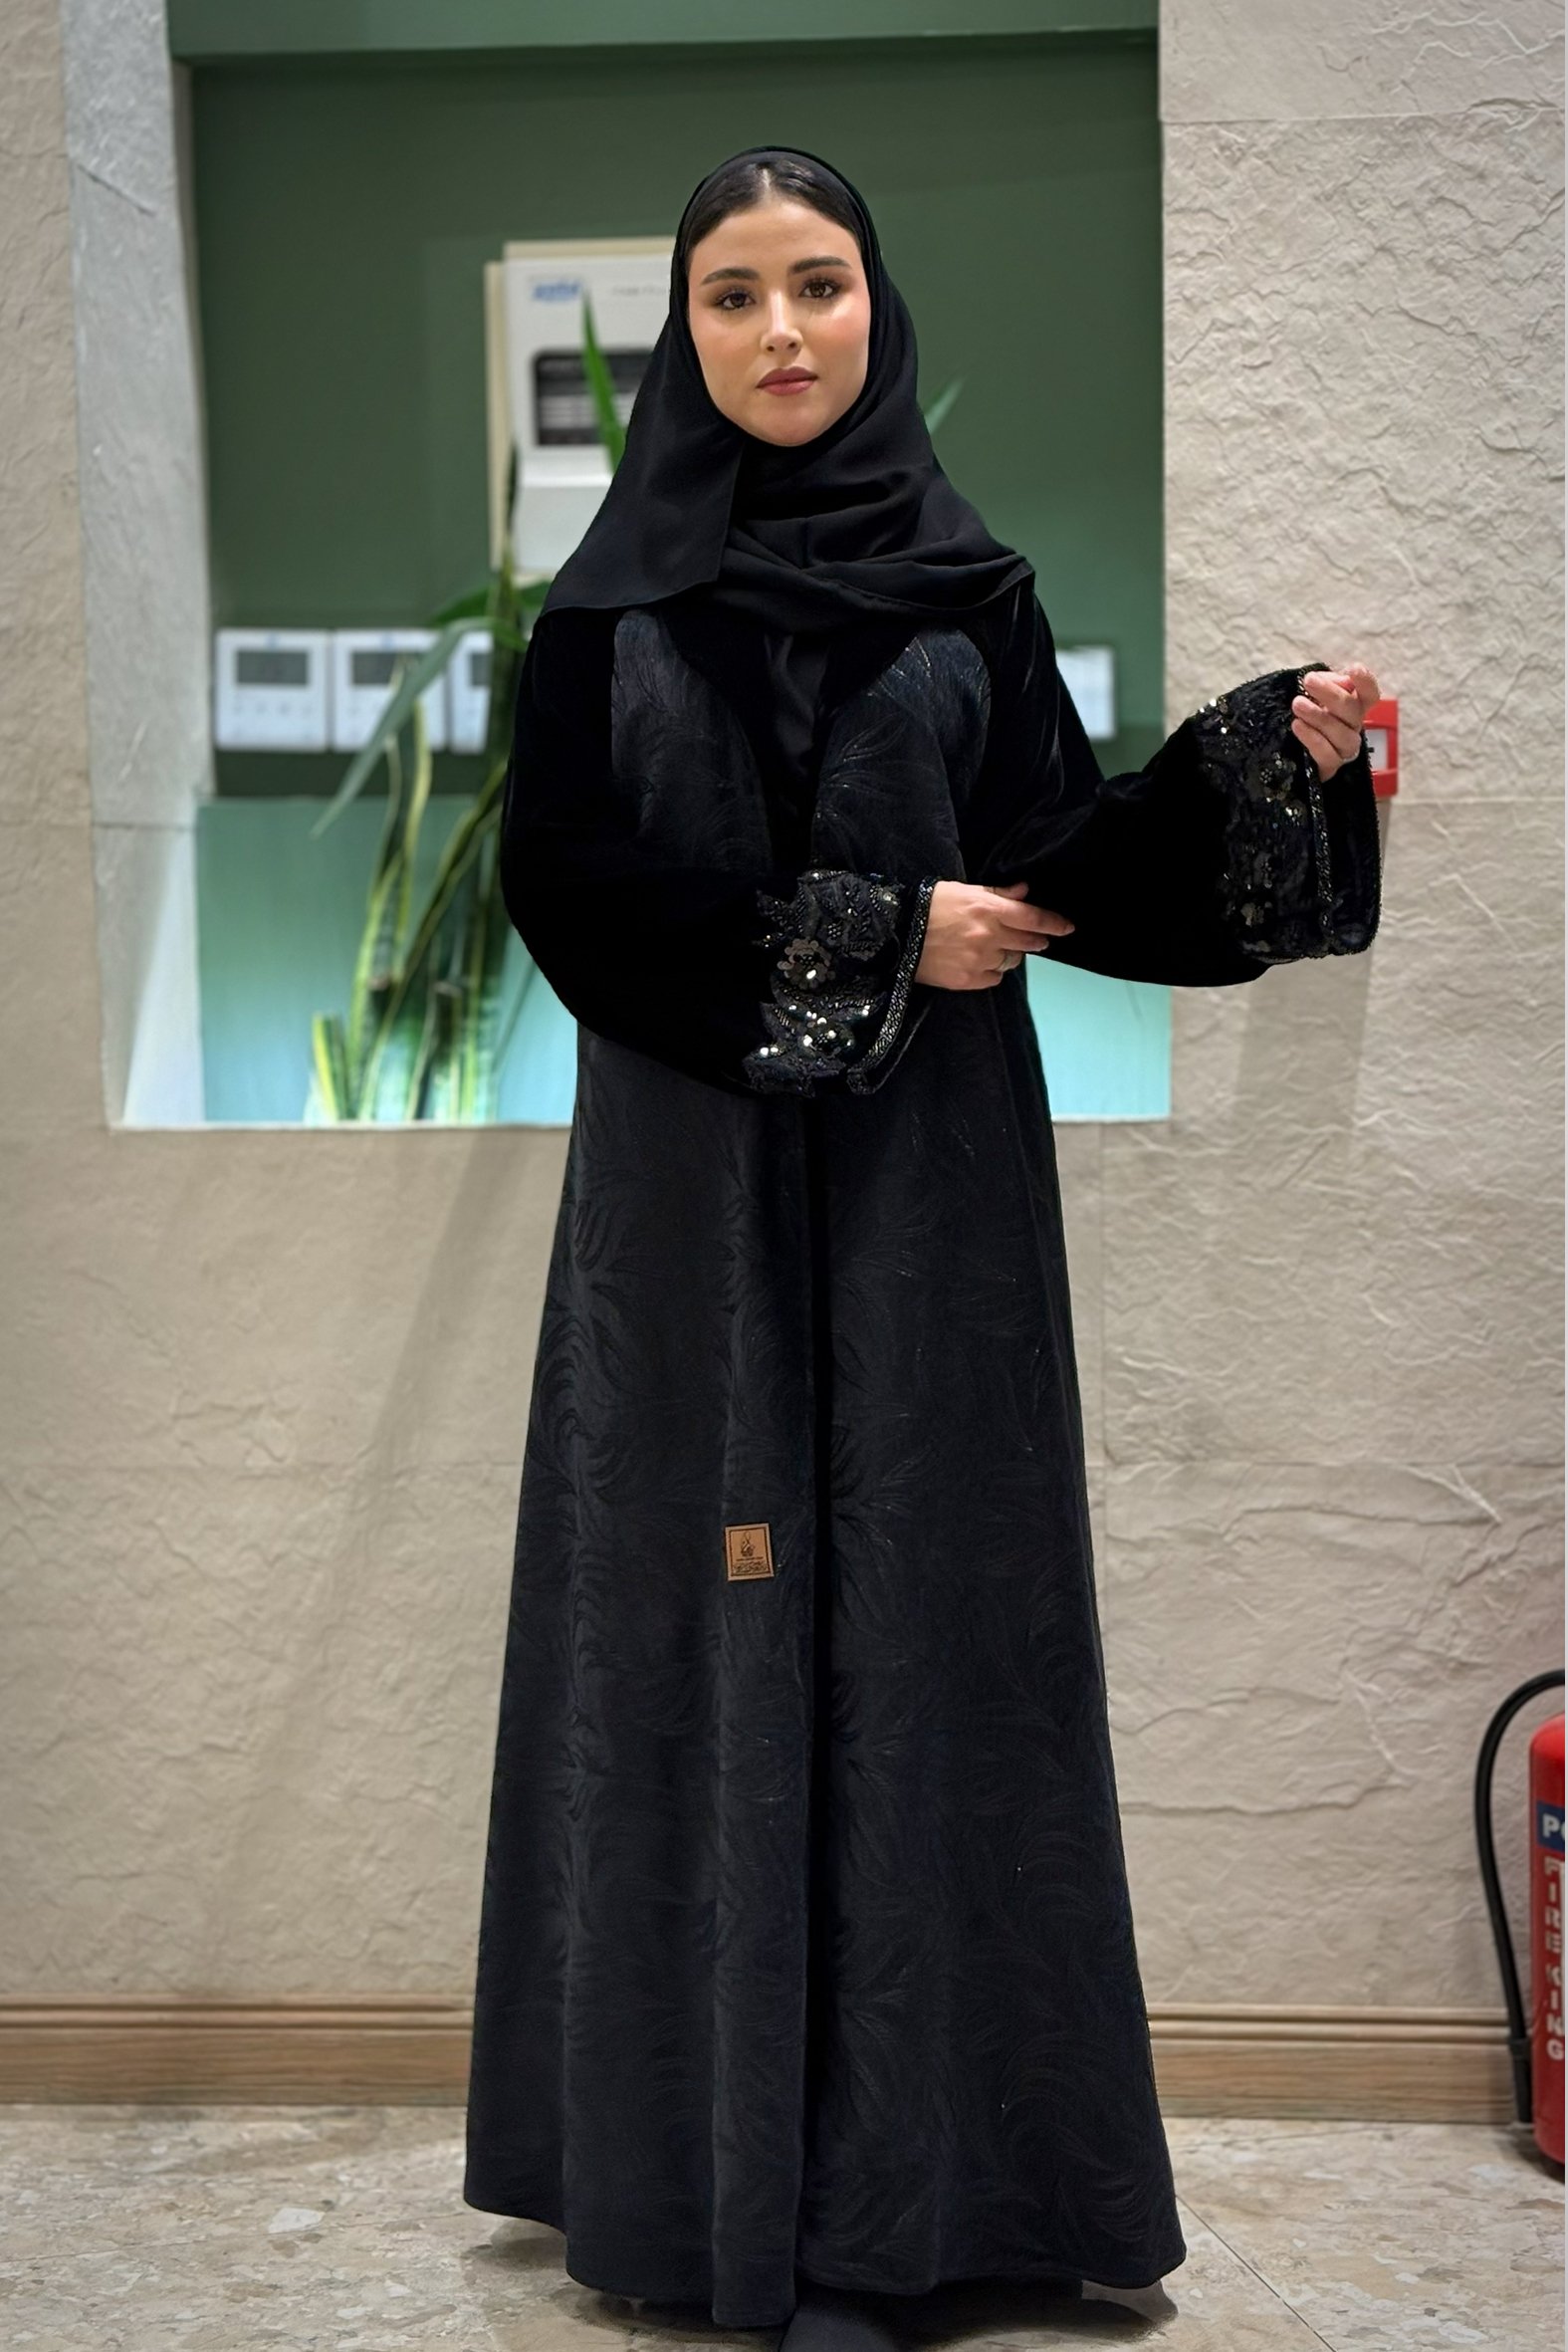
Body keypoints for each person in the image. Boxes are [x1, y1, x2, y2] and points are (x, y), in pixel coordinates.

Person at [462, 143, 1382, 2350]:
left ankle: (936, 2198)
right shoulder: (602, 615)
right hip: (688, 1221)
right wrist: (873, 932)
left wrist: (1264, 758)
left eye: (818, 284)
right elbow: (571, 899)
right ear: (682, 331)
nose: (779, 331)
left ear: (876, 307)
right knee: (687, 1637)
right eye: (731, 295)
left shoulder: (972, 597)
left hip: (925, 1219)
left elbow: (1069, 865)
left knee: (935, 1642)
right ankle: (698, 2193)